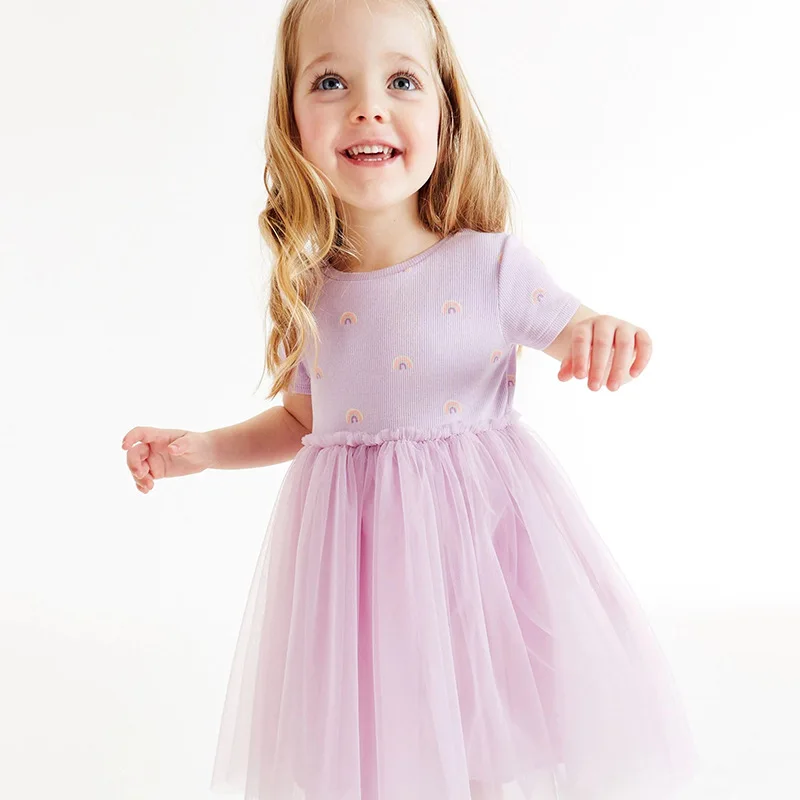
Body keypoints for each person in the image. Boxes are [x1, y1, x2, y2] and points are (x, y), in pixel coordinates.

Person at [121, 0, 699, 798]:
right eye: (331, 81)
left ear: (444, 112)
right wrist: (206, 449)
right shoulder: (312, 292)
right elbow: (303, 421)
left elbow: (575, 328)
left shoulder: (491, 267)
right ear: (290, 121)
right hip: (360, 578)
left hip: (474, 562)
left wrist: (605, 335)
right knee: (386, 744)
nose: (368, 107)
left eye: (400, 80)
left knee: (478, 735)